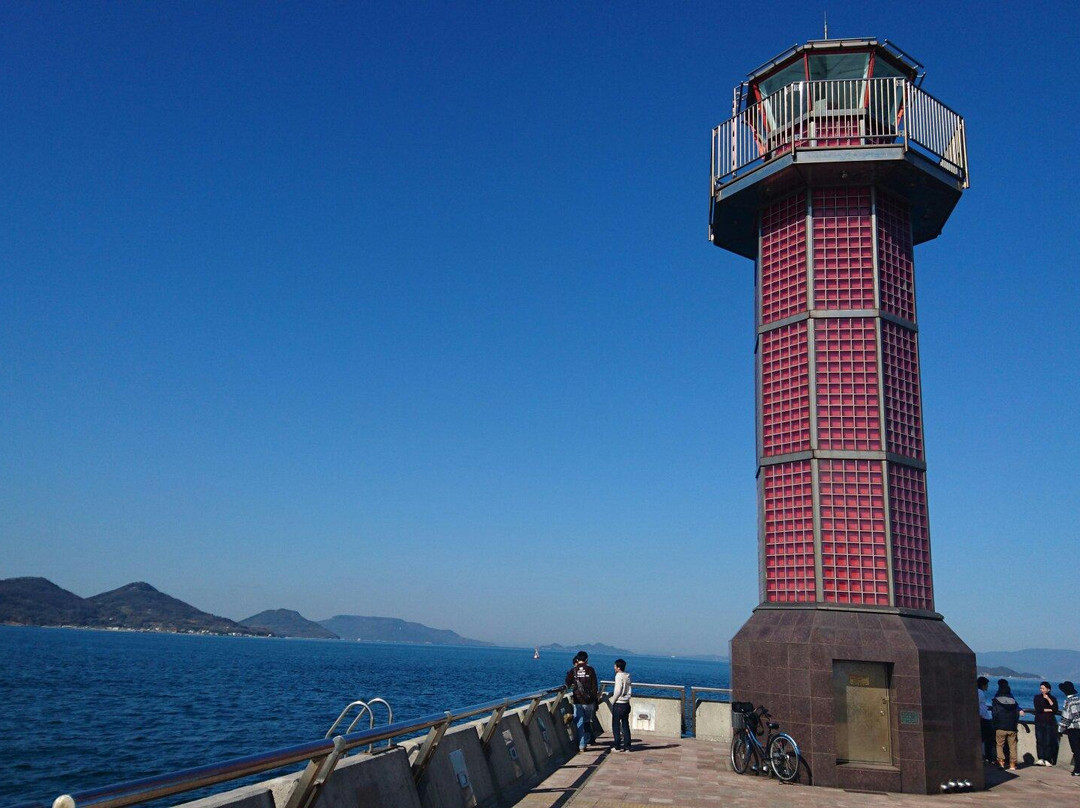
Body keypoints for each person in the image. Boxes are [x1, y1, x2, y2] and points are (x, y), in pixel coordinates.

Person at [565, 651, 599, 752]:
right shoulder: (590, 670)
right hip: (589, 702)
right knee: (587, 721)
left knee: (580, 721)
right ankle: (588, 740)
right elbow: (595, 686)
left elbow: (567, 682)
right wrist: (592, 698)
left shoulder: (573, 670)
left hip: (578, 700)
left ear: (577, 659)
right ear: (586, 659)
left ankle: (582, 745)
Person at [991, 678, 1025, 770]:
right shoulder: (1013, 701)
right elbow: (1016, 712)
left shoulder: (996, 700)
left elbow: (994, 713)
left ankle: (1001, 762)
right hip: (1012, 726)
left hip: (1000, 726)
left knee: (999, 745)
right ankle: (1013, 764)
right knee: (1013, 745)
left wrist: (995, 723)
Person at [1033, 681, 1059, 766]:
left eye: (1043, 688)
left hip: (1050, 722)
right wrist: (1049, 710)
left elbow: (1055, 709)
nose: (1042, 690)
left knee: (1048, 741)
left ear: (1048, 689)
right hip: (1039, 721)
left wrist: (1048, 699)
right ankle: (1041, 758)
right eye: (1041, 688)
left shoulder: (1053, 698)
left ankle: (1048, 759)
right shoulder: (1037, 697)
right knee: (1040, 740)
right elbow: (1038, 709)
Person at [610, 658, 632, 752]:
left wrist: (613, 701)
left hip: (619, 703)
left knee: (616, 726)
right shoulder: (627, 676)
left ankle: (617, 746)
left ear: (618, 667)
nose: (614, 667)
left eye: (615, 666)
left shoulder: (618, 676)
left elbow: (618, 690)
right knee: (625, 725)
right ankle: (627, 746)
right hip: (626, 703)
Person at [1059, 681, 1080, 776]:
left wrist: (1060, 729)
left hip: (1073, 729)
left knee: (1076, 749)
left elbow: (1066, 717)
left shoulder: (1068, 702)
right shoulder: (1079, 699)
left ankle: (1077, 769)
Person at [977, 676, 995, 764]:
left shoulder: (979, 692)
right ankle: (988, 757)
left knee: (984, 739)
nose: (987, 686)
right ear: (983, 685)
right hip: (984, 718)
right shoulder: (980, 693)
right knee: (988, 739)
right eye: (986, 684)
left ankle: (986, 756)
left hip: (984, 717)